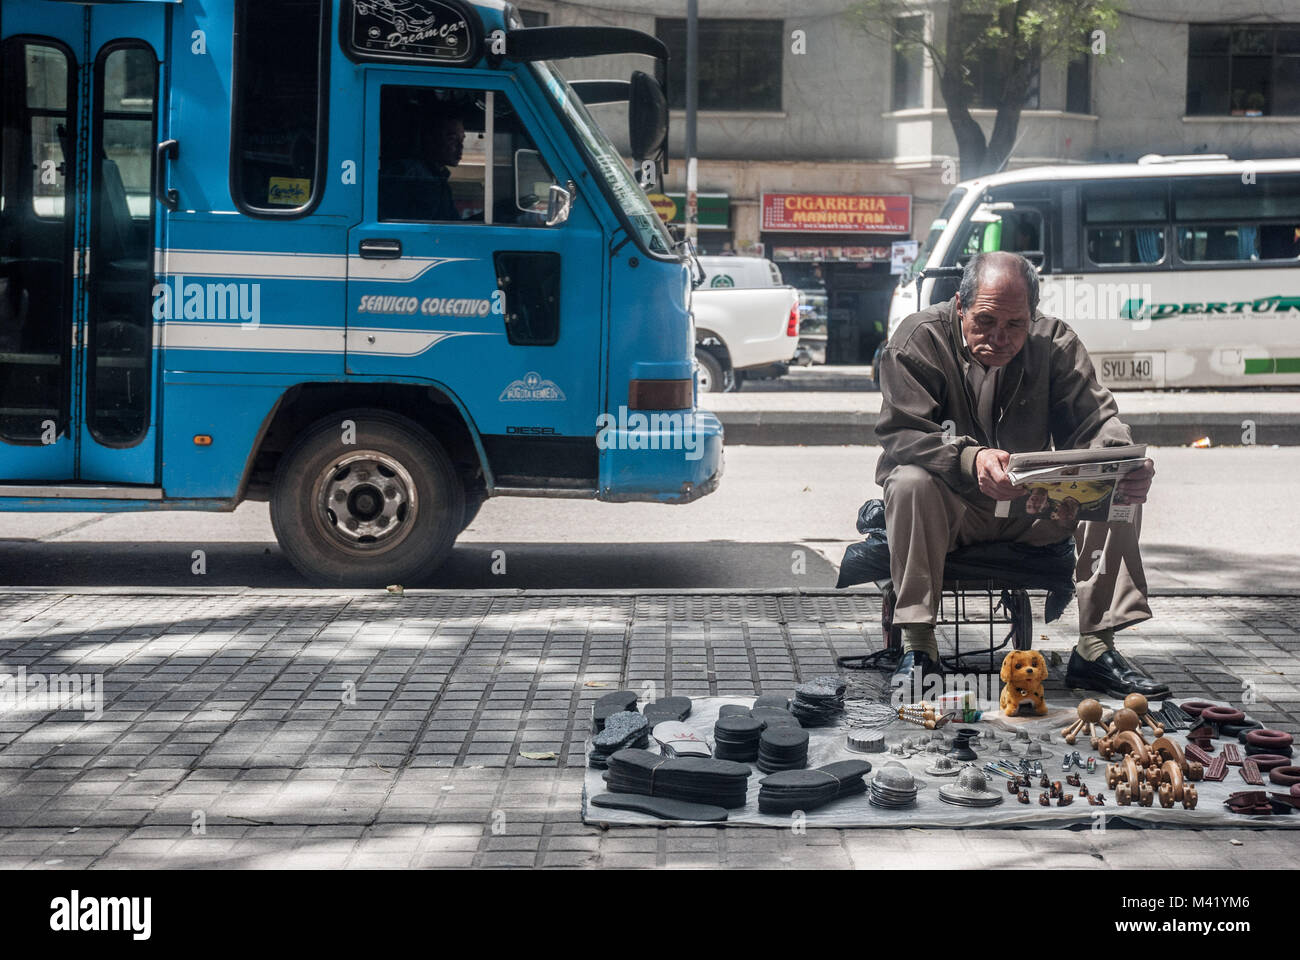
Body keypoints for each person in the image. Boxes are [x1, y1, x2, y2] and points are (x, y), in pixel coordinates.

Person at [875, 250, 1165, 700]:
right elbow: (902, 432)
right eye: (985, 321)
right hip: (953, 512)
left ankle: (1095, 648)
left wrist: (1122, 460)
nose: (1000, 337)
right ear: (959, 306)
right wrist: (970, 458)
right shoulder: (918, 339)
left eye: (1015, 325)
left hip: (1034, 509)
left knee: (1119, 488)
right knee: (909, 481)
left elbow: (1098, 423)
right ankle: (919, 646)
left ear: (1032, 315)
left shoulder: (1053, 343)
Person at [379, 110, 466, 222]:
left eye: (462, 139)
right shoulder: (406, 173)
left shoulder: (440, 181)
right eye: (452, 139)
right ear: (430, 139)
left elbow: (452, 223)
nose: (460, 147)